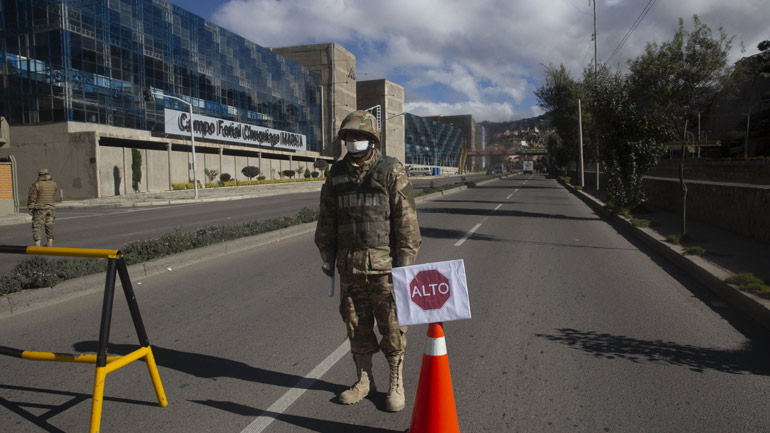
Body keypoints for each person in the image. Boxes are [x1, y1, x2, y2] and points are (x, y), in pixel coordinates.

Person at [315, 110, 421, 412]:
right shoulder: (336, 175)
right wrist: (327, 255)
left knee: (392, 326)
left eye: (360, 136)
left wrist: (406, 265)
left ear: (372, 139)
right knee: (356, 326)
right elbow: (327, 220)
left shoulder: (390, 170)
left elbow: (407, 222)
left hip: (386, 270)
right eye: (349, 136)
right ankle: (364, 380)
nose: (353, 141)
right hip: (349, 268)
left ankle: (395, 382)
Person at [28, 168, 58, 247]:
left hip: (40, 208)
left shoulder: (37, 184)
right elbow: (54, 194)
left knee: (37, 226)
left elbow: (32, 197)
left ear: (40, 175)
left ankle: (37, 243)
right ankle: (49, 241)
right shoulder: (54, 184)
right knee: (50, 225)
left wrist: (30, 207)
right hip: (51, 208)